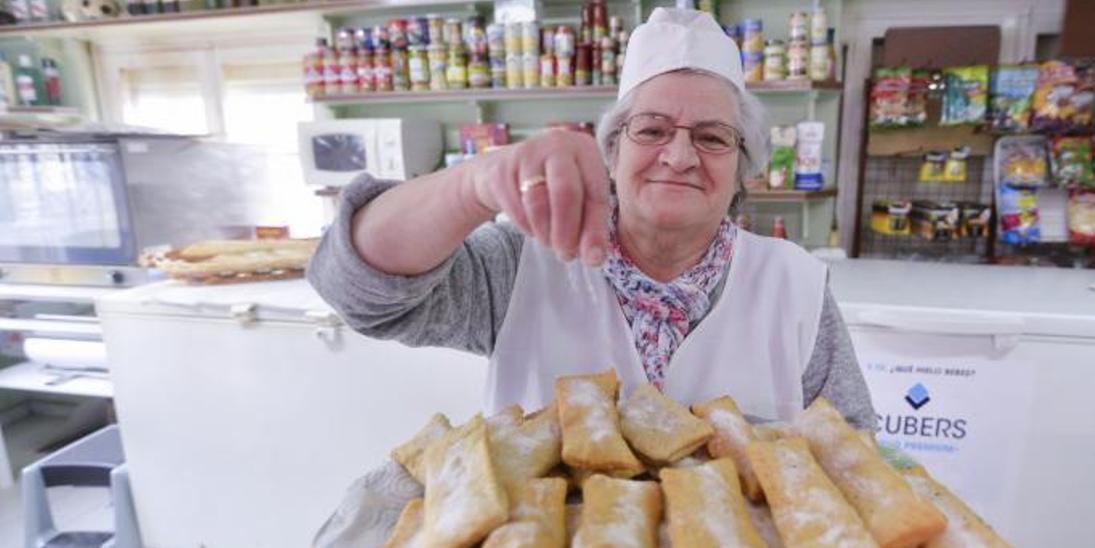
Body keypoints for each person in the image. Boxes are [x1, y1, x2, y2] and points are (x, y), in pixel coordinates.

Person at [308, 8, 875, 545]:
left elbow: (855, 461)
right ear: (612, 151)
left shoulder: (795, 284)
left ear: (742, 167)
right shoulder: (523, 263)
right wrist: (474, 183)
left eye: (711, 137)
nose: (679, 156)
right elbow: (358, 292)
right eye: (652, 130)